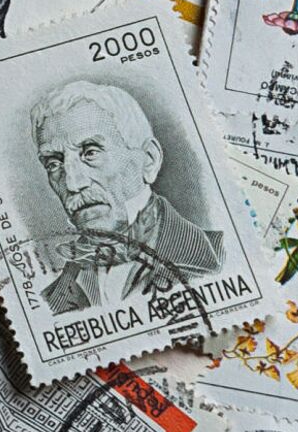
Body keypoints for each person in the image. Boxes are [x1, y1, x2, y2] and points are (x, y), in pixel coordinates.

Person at [30, 80, 223, 315]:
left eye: (90, 152)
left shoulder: (220, 260)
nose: (73, 183)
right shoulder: (50, 301)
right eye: (53, 163)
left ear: (149, 160)